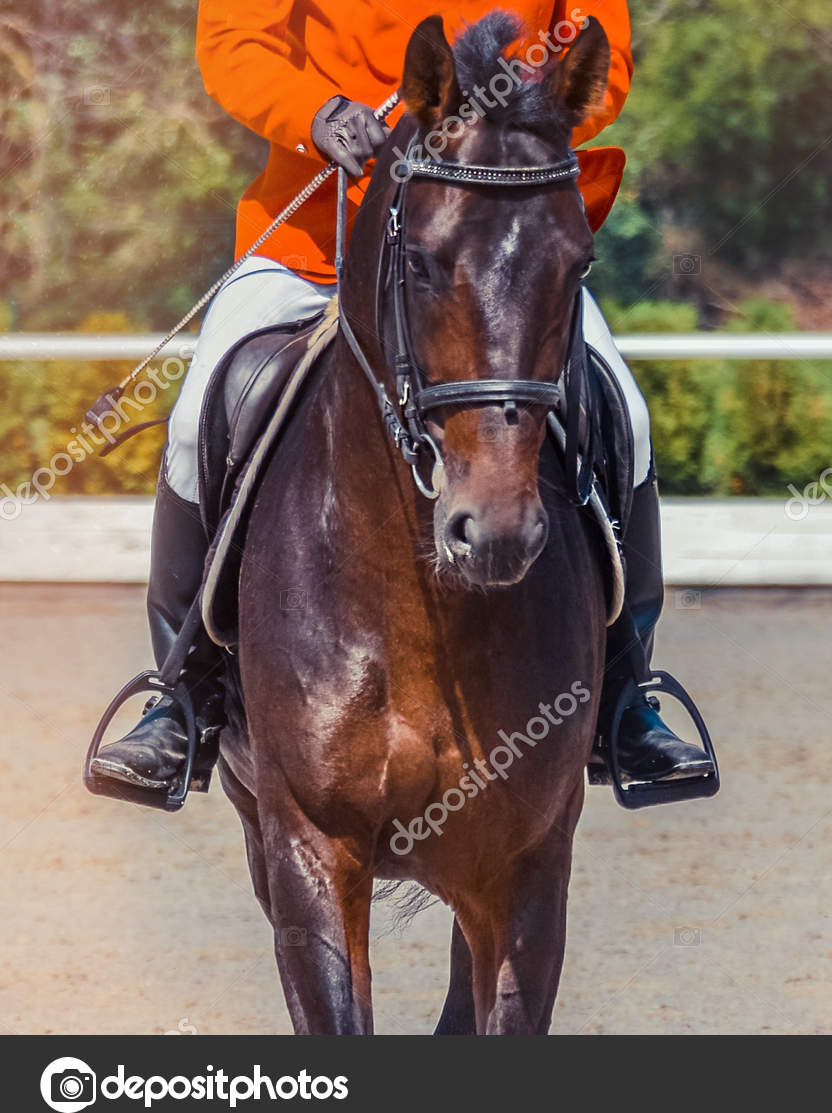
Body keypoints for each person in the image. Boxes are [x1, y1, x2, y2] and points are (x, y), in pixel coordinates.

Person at [90, 0, 713, 801]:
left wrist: (507, 114)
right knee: (194, 418)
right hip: (319, 238)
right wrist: (316, 113)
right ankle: (182, 694)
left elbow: (599, 58)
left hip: (492, 240)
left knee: (625, 410)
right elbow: (233, 41)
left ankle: (628, 697)